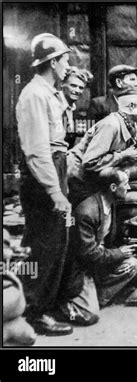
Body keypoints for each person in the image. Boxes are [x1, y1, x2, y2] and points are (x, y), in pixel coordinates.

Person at [15, 33, 74, 336]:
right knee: (42, 244)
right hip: (43, 176)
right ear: (52, 62)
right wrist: (54, 191)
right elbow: (37, 150)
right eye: (64, 61)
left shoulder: (49, 92)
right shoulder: (34, 95)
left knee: (55, 241)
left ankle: (40, 305)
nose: (68, 66)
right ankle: (32, 312)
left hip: (54, 168)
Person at [56, 168, 137, 326]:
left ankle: (96, 298)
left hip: (98, 263)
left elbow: (105, 233)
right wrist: (119, 253)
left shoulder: (111, 204)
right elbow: (88, 254)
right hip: (81, 269)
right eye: (126, 184)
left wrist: (128, 224)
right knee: (89, 316)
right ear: (113, 188)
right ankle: (62, 306)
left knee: (133, 265)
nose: (129, 188)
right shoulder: (87, 212)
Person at [68, 87, 137, 209]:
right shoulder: (111, 125)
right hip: (77, 176)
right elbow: (89, 162)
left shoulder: (131, 125)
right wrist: (123, 156)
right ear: (132, 110)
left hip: (92, 176)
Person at [61, 66, 93, 148]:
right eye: (73, 85)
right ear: (62, 84)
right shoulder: (55, 106)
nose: (77, 91)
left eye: (81, 88)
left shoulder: (74, 110)